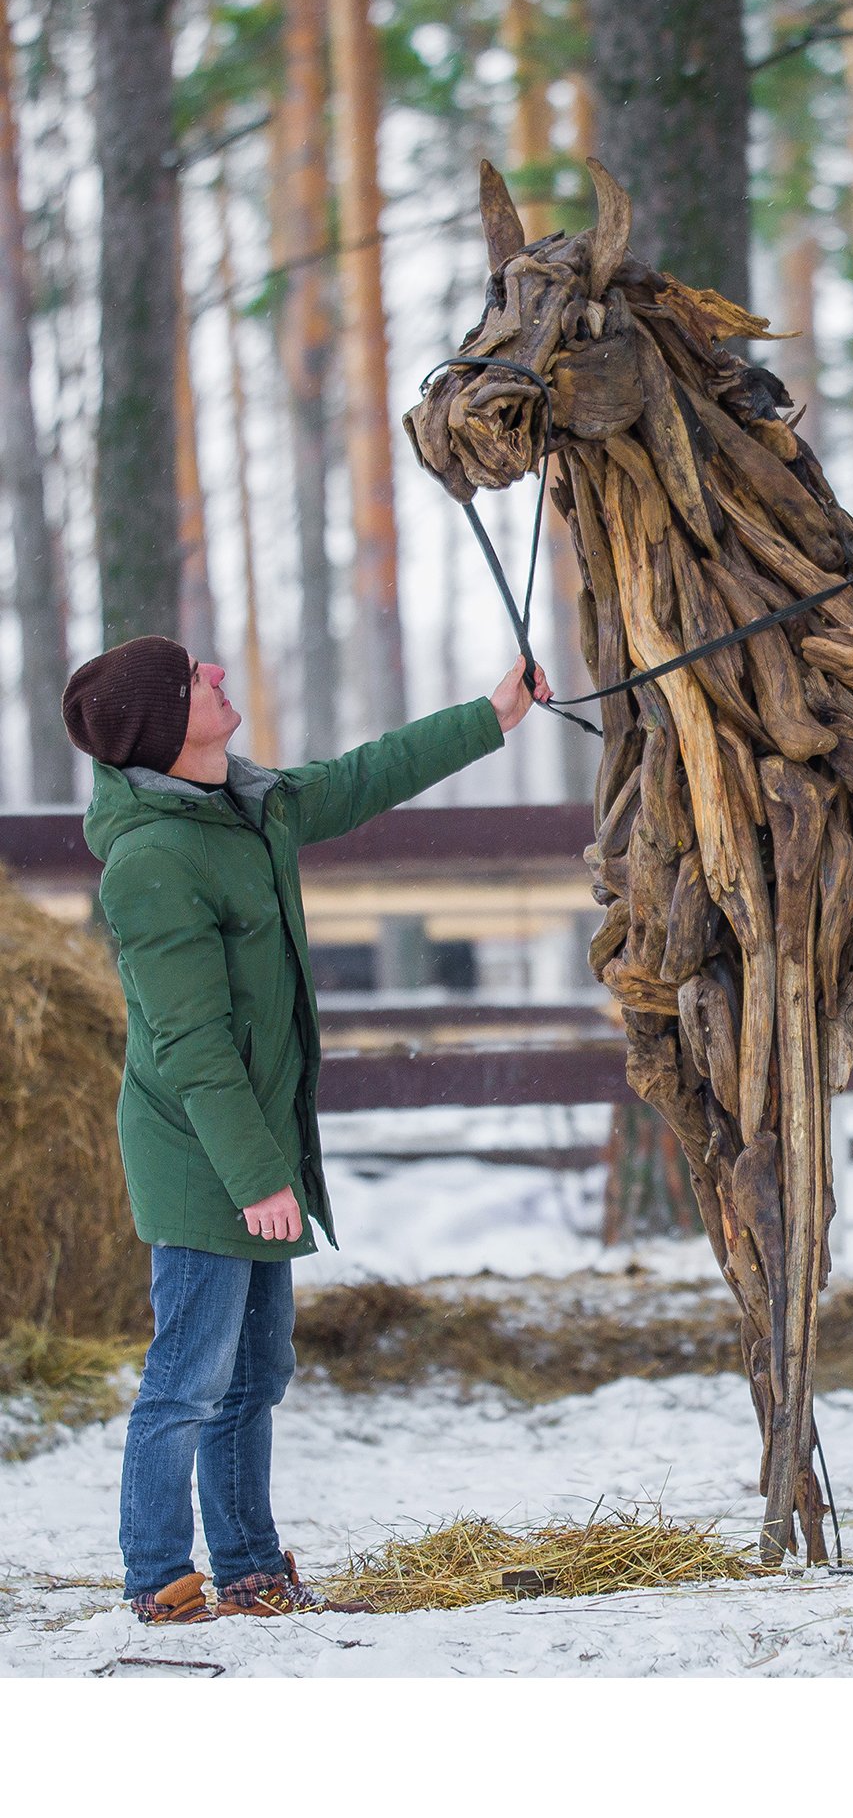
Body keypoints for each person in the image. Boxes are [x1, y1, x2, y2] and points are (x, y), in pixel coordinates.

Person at [62, 636, 549, 1623]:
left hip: (251, 1146)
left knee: (255, 1373)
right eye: (197, 677)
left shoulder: (247, 804)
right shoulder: (152, 862)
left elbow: (360, 778)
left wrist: (489, 716)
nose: (219, 679)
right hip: (204, 1156)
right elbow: (194, 1045)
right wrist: (255, 1175)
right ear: (165, 724)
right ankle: (157, 1575)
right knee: (188, 1377)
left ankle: (247, 1569)